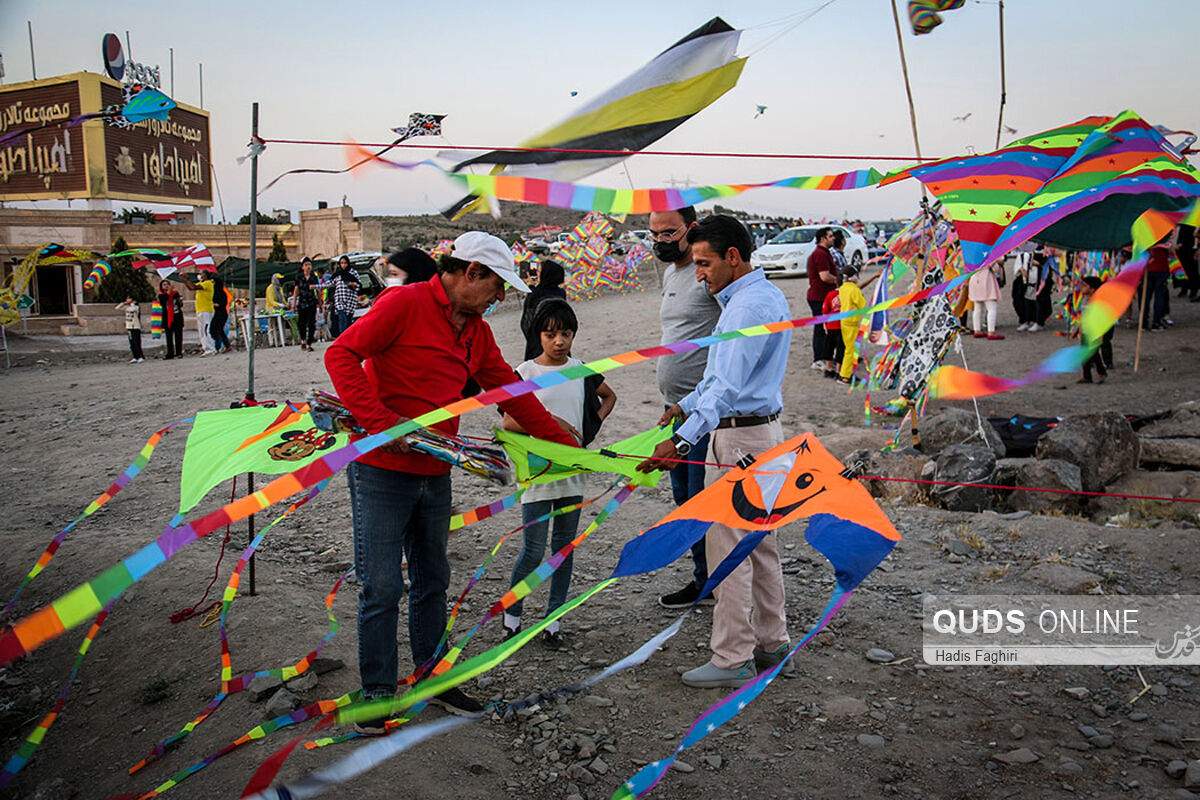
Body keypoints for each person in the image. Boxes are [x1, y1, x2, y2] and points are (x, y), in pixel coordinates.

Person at [325, 231, 576, 727]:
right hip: (381, 469)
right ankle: (377, 692)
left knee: (433, 579)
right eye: (495, 286)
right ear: (471, 273)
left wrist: (569, 446)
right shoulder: (404, 304)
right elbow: (340, 355)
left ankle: (432, 679)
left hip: (436, 469)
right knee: (379, 585)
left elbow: (512, 393)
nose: (499, 298)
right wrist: (381, 422)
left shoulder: (475, 330)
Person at [638, 215, 793, 689]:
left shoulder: (746, 308)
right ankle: (773, 642)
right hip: (757, 434)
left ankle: (731, 657)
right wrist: (684, 405)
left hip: (740, 441)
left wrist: (681, 440)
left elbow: (725, 388)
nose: (698, 272)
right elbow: (719, 376)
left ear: (732, 257)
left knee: (728, 548)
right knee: (759, 543)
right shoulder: (752, 299)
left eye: (704, 263)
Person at [501, 298, 616, 649]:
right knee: (533, 550)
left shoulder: (581, 369)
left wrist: (590, 426)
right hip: (537, 473)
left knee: (563, 549)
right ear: (539, 335)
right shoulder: (525, 373)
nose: (559, 341)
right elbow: (508, 421)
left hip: (572, 471)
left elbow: (609, 396)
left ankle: (554, 619)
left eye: (565, 333)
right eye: (551, 334)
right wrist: (555, 424)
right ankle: (512, 615)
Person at [649, 205, 721, 609]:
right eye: (654, 234)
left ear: (690, 229)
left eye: (668, 233)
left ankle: (712, 583)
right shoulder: (671, 273)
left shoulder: (704, 273)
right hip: (673, 409)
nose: (660, 241)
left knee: (700, 501)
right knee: (683, 499)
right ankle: (705, 579)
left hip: (703, 413)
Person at [520, 260, 567, 361]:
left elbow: (526, 322)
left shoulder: (535, 294)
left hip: (539, 344)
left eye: (539, 272)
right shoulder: (561, 293)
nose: (537, 274)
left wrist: (531, 287)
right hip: (559, 341)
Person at [806, 227, 838, 370]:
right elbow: (824, 276)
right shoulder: (820, 254)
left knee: (828, 328)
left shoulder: (825, 253)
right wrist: (839, 281)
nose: (833, 238)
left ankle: (827, 357)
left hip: (825, 296)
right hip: (819, 297)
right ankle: (818, 359)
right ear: (823, 239)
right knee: (821, 328)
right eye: (830, 236)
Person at [836, 264, 867, 384]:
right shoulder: (854, 290)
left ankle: (848, 373)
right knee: (850, 350)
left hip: (845, 321)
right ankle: (844, 376)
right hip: (851, 322)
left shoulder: (843, 287)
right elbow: (862, 304)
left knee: (849, 349)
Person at [1079, 276, 1113, 383]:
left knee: (1093, 353)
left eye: (1085, 286)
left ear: (1092, 289)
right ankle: (1087, 376)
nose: (1082, 288)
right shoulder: (1084, 300)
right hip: (1085, 331)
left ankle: (1101, 373)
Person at [1145, 231, 1174, 330]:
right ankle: (1156, 322)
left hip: (1148, 268)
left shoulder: (1147, 234)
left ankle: (1144, 322)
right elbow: (1171, 251)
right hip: (1161, 268)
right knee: (1159, 296)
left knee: (1146, 297)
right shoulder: (1166, 236)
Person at [968, 262, 1005, 340]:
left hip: (974, 279)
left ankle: (977, 330)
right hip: (986, 280)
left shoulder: (971, 256)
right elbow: (995, 268)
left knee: (977, 307)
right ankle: (991, 331)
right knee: (992, 308)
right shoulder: (987, 255)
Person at [183, 271, 217, 355]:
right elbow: (191, 288)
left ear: (206, 276)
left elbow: (194, 287)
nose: (200, 275)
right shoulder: (202, 283)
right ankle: (206, 348)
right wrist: (185, 280)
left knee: (206, 330)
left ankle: (211, 348)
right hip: (201, 310)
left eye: (202, 274)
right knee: (202, 330)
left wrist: (187, 278)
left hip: (206, 310)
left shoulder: (207, 283)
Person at [293, 257, 319, 351]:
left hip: (312, 302)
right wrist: (294, 303)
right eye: (306, 265)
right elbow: (296, 290)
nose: (308, 267)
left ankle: (309, 343)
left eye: (309, 265)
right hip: (302, 302)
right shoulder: (299, 277)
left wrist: (320, 302)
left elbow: (318, 290)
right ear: (302, 267)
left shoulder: (314, 277)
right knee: (302, 323)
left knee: (311, 323)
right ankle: (303, 340)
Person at [331, 255, 361, 337]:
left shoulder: (353, 273)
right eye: (341, 263)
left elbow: (359, 285)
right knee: (342, 319)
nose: (343, 265)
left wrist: (353, 284)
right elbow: (330, 283)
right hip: (339, 300)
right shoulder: (337, 274)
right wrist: (316, 286)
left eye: (345, 263)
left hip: (350, 301)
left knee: (348, 322)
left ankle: (348, 338)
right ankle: (342, 338)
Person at [157, 279, 185, 360]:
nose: (166, 286)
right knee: (169, 337)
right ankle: (170, 353)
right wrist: (169, 292)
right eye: (164, 285)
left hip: (177, 317)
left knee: (178, 336)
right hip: (168, 318)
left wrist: (180, 301)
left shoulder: (175, 293)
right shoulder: (161, 295)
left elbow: (179, 304)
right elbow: (163, 302)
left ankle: (179, 353)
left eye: (167, 284)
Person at [820, 281, 842, 380]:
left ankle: (828, 369)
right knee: (840, 348)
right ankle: (838, 370)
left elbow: (825, 310)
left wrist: (825, 324)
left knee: (829, 347)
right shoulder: (846, 294)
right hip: (841, 326)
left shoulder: (830, 294)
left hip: (831, 325)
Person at [115, 296, 144, 363]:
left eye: (129, 299)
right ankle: (135, 356)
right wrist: (124, 303)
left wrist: (132, 303)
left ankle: (140, 356)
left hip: (135, 327)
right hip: (129, 327)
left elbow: (132, 309)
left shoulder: (136, 307)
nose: (127, 300)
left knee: (137, 342)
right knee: (132, 343)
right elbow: (117, 308)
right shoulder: (127, 307)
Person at [209, 273, 231, 353]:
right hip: (218, 313)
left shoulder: (221, 292)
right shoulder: (215, 292)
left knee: (217, 330)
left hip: (221, 313)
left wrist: (217, 304)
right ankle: (227, 345)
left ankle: (217, 347)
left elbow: (223, 302)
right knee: (218, 330)